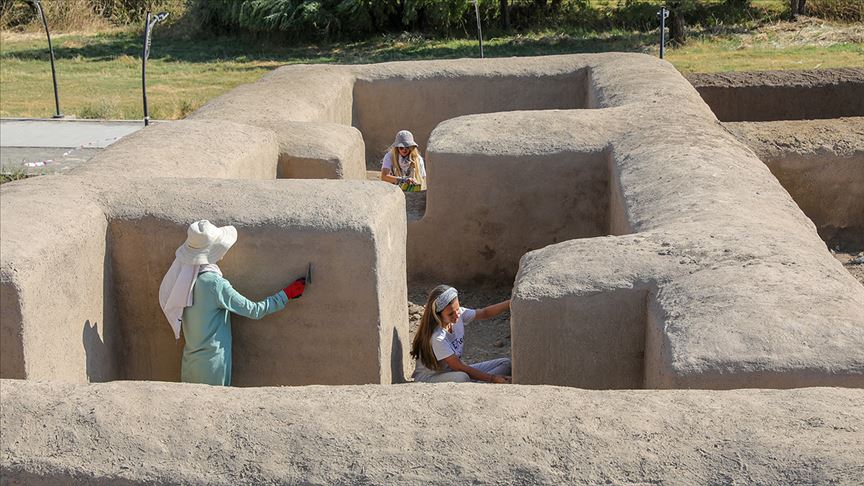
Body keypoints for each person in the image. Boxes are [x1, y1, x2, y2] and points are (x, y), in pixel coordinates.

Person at [159, 220, 306, 386]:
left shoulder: (184, 279)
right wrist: (286, 294)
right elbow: (254, 310)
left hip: (189, 366)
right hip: (213, 369)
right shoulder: (215, 285)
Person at [411, 284, 512, 383]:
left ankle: (479, 384)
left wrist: (510, 303)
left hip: (452, 372)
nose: (457, 315)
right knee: (462, 377)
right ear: (438, 315)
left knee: (506, 363)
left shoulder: (458, 315)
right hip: (431, 377)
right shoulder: (437, 337)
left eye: (457, 309)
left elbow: (484, 313)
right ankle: (481, 386)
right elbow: (459, 366)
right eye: (450, 314)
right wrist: (492, 378)